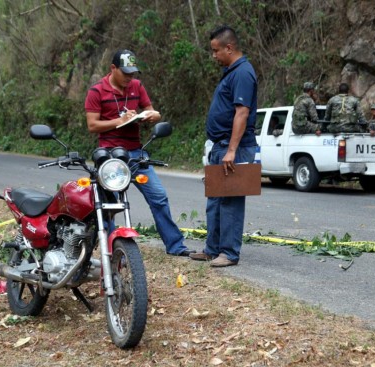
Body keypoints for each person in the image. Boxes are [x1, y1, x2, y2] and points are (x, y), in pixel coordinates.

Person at [84, 49, 194, 257]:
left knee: (158, 196)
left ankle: (175, 245)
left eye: (132, 73)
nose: (129, 78)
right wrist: (120, 121)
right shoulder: (97, 91)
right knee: (111, 204)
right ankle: (111, 250)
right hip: (109, 156)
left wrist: (150, 116)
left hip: (135, 153)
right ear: (113, 69)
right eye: (125, 73)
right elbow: (92, 125)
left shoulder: (137, 86)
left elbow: (152, 110)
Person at [189, 26, 258, 267]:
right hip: (220, 146)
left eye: (216, 51)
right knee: (216, 200)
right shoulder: (231, 72)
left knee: (230, 202)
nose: (214, 55)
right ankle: (212, 249)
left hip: (234, 148)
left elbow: (242, 112)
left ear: (229, 48)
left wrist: (231, 150)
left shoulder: (243, 73)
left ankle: (228, 253)